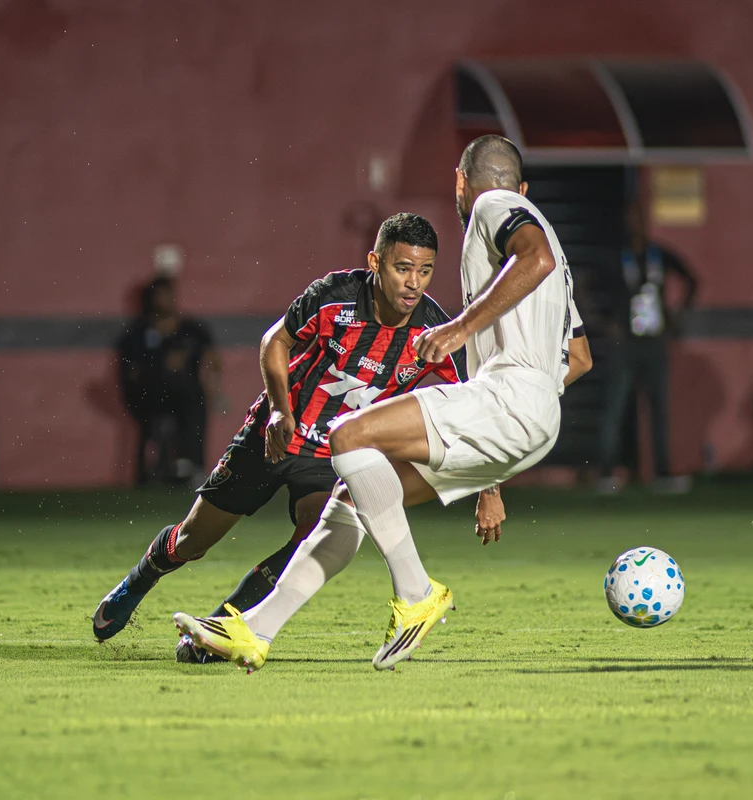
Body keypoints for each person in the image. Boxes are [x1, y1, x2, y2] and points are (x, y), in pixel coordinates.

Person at [173, 135, 592, 672]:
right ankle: (255, 630)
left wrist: (461, 330)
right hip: (534, 416)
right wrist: (532, 401)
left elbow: (533, 256)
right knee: (349, 499)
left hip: (508, 396)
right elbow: (578, 357)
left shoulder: (495, 205)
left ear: (462, 181)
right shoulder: (555, 257)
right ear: (525, 186)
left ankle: (416, 592)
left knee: (348, 435)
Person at [94, 213, 489, 662]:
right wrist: (280, 410)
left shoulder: (434, 332)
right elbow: (274, 342)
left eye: (425, 270)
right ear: (375, 262)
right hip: (275, 434)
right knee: (193, 540)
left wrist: (489, 490)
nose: (413, 283)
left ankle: (226, 627)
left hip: (334, 454)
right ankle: (142, 577)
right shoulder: (333, 296)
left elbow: (471, 407)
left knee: (315, 535)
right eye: (402, 268)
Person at [595, 200, 698, 494]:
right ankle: (606, 473)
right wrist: (603, 322)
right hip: (625, 344)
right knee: (615, 407)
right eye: (629, 219)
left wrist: (678, 315)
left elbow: (692, 279)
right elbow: (583, 286)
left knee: (659, 408)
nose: (634, 225)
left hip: (655, 340)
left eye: (638, 218)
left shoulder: (658, 254)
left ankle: (662, 473)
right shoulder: (614, 257)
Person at [118, 277, 220, 486]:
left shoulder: (191, 329)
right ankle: (155, 471)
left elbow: (213, 360)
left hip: (188, 396)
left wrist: (214, 388)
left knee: (194, 399)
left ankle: (193, 467)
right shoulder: (138, 332)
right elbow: (131, 372)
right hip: (151, 397)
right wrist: (161, 366)